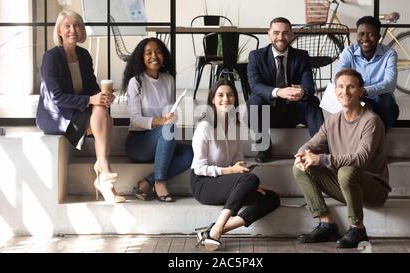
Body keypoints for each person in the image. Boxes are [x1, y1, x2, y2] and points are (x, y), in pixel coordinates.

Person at [292, 68, 391, 248]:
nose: (345, 92)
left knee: (346, 171)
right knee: (300, 167)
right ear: (335, 90)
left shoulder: (371, 121)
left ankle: (358, 229)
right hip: (346, 184)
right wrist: (302, 154)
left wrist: (321, 159)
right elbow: (312, 144)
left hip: (373, 189)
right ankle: (326, 224)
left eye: (351, 87)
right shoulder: (333, 120)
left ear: (361, 91)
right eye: (340, 87)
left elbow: (361, 159)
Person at [36, 10, 125, 203]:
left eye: (77, 26)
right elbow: (56, 97)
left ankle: (103, 172)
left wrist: (103, 97)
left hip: (78, 110)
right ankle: (103, 170)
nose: (72, 30)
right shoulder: (51, 57)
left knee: (103, 112)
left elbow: (91, 88)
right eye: (67, 26)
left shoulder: (84, 56)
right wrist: (90, 101)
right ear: (59, 31)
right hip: (58, 115)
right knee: (105, 120)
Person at [191, 78, 280, 251]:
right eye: (220, 95)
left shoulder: (236, 126)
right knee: (250, 180)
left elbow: (237, 160)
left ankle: (216, 229)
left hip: (227, 181)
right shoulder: (204, 127)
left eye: (230, 95)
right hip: (203, 183)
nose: (226, 99)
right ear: (212, 100)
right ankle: (217, 228)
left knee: (271, 197)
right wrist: (235, 172)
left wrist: (244, 176)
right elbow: (199, 168)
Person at [122, 37, 193, 202]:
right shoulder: (136, 81)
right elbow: (135, 119)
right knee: (168, 128)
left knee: (189, 153)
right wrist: (161, 121)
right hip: (138, 143)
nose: (154, 56)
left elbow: (169, 112)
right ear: (142, 57)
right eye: (149, 53)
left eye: (158, 52)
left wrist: (170, 117)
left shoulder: (168, 79)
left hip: (161, 141)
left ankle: (148, 181)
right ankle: (160, 182)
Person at [247, 17, 324, 163]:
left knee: (312, 100)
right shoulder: (256, 56)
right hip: (268, 114)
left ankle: (320, 148)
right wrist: (279, 92)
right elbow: (255, 86)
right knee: (254, 100)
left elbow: (309, 87)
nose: (281, 38)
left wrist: (302, 92)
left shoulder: (302, 56)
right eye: (276, 33)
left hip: (292, 112)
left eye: (285, 33)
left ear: (292, 35)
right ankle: (263, 149)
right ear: (268, 34)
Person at [336, 16, 399, 131]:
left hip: (379, 98)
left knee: (387, 100)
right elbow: (338, 78)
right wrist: (356, 92)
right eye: (361, 34)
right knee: (346, 98)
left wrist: (365, 91)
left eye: (371, 34)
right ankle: (353, 135)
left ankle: (379, 135)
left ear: (378, 37)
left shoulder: (389, 54)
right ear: (357, 35)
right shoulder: (349, 52)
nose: (365, 39)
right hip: (356, 97)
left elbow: (390, 84)